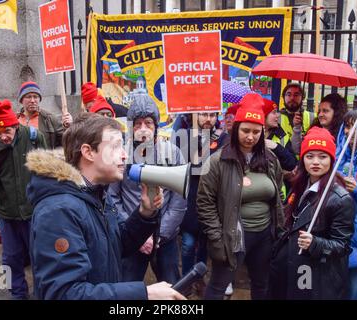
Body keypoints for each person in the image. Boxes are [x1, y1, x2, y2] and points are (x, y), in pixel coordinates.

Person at [26, 113, 185, 300]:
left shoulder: (96, 192)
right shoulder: (58, 211)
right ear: (88, 152)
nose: (125, 154)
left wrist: (145, 213)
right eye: (116, 146)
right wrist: (144, 294)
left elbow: (119, 243)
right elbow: (63, 293)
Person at [197, 93, 285, 300]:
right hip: (232, 235)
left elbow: (278, 192)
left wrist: (277, 228)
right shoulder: (218, 161)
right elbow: (204, 202)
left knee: (262, 285)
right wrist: (217, 238)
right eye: (245, 130)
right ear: (236, 129)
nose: (251, 137)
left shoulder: (270, 160)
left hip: (264, 235)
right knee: (218, 286)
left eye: (256, 132)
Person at [108, 94, 186, 285]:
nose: (143, 129)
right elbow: (113, 197)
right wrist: (136, 233)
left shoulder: (173, 152)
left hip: (165, 240)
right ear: (131, 127)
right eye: (138, 124)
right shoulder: (121, 154)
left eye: (148, 123)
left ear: (156, 126)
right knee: (126, 288)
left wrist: (159, 234)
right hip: (132, 238)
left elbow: (178, 201)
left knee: (171, 287)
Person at [270, 127, 355, 300]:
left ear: (331, 160)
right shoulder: (300, 185)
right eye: (310, 156)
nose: (316, 162)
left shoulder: (340, 198)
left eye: (322, 157)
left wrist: (315, 243)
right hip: (290, 266)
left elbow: (342, 246)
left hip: (316, 275)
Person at [0, 100, 47, 299]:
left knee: (40, 257)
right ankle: (17, 294)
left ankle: (43, 292)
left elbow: (48, 171)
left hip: (33, 212)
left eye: (7, 131)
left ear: (16, 125)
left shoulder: (34, 137)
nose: (3, 136)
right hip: (7, 214)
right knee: (10, 260)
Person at [175, 112, 228, 297]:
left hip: (211, 200)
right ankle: (186, 280)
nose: (208, 119)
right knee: (188, 244)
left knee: (205, 244)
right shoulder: (184, 135)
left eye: (212, 115)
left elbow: (218, 165)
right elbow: (191, 166)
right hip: (190, 199)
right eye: (204, 114)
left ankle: (199, 278)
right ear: (196, 115)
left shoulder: (222, 137)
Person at [336, 110, 357, 300]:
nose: (350, 131)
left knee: (354, 288)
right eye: (347, 126)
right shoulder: (338, 153)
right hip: (335, 229)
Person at [17, 81, 72, 148]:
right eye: (28, 97)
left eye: (35, 97)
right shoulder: (15, 120)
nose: (32, 100)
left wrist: (68, 127)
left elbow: (66, 142)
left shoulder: (49, 119)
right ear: (21, 100)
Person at [279, 83, 316, 155]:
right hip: (282, 163)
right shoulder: (276, 118)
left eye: (296, 95)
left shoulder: (313, 117)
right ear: (283, 97)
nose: (292, 98)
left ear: (303, 97)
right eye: (289, 95)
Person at [263, 98, 297, 172]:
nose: (278, 116)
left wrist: (276, 147)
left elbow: (292, 163)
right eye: (274, 112)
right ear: (263, 115)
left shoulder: (281, 134)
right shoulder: (251, 135)